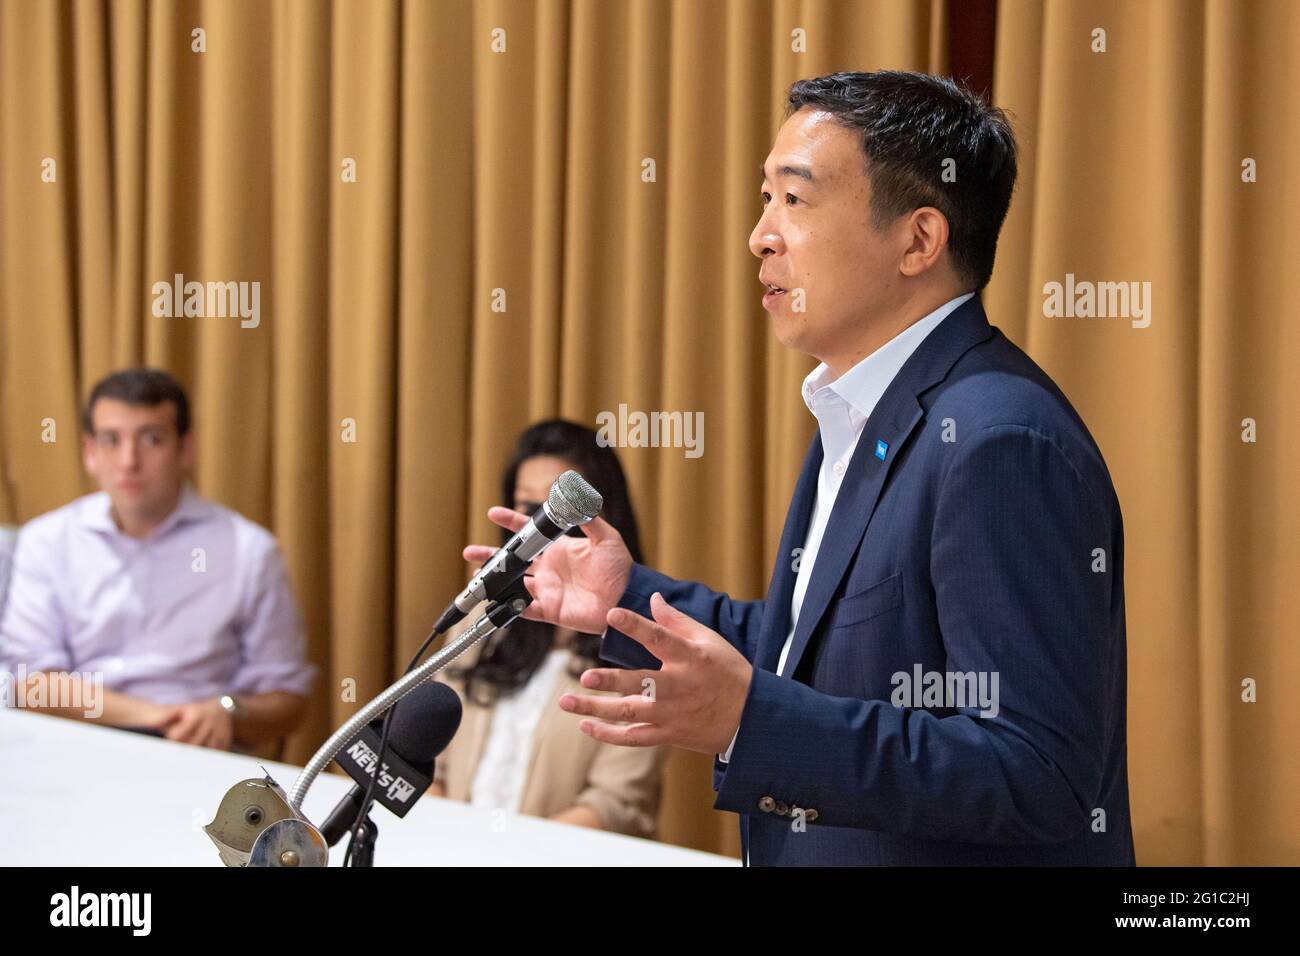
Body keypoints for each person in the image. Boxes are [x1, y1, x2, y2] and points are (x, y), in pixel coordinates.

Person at [464, 72, 1136, 866]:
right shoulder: (857, 412)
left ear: (919, 240)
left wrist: (755, 723)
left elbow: (1039, 773)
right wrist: (625, 600)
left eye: (794, 199)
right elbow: (805, 652)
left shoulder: (999, 441)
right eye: (764, 198)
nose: (760, 235)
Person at [0, 368, 314, 752]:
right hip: (78, 745)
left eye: (151, 439)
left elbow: (290, 703)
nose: (129, 461)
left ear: (185, 450)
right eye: (111, 440)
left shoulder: (249, 550)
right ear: (90, 453)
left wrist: (228, 711)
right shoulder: (47, 541)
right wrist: (155, 716)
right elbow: (31, 683)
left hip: (200, 753)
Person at [432, 421, 664, 839]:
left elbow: (617, 805)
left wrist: (505, 855)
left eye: (560, 515)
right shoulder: (477, 622)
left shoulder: (640, 646)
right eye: (527, 510)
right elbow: (430, 763)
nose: (540, 532)